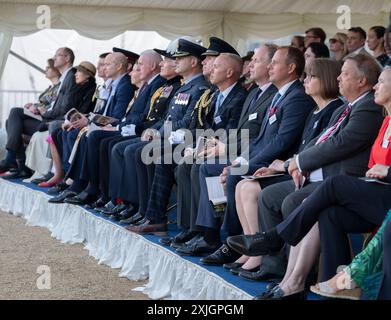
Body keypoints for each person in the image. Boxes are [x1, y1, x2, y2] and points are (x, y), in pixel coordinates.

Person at [227, 55, 386, 299]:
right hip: (335, 180)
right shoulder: (353, 109)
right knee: (320, 210)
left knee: (300, 200)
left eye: (344, 73)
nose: (338, 78)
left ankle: (283, 260)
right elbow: (320, 142)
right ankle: (295, 280)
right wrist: (294, 163)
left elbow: (341, 145)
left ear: (361, 80)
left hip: (349, 183)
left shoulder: (369, 108)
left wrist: (297, 163)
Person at [178, 46, 315, 258]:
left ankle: (230, 239)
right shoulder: (259, 93)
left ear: (291, 68)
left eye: (268, 62)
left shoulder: (295, 96)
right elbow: (259, 137)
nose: (266, 66)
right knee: (203, 167)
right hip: (253, 154)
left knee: (224, 173)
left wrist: (241, 160)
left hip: (275, 161)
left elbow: (281, 141)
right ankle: (209, 233)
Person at [229, 59, 343, 279]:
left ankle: (271, 259)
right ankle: (259, 252)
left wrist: (286, 166)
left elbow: (323, 151)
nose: (305, 81)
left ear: (326, 79)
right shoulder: (314, 112)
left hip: (314, 176)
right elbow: (305, 150)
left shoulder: (335, 110)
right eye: (305, 76)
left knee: (256, 191)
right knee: (245, 185)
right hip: (297, 171)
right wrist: (281, 167)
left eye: (311, 77)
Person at [38, 60, 97, 187]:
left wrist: (69, 121)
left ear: (88, 75)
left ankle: (65, 173)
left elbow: (84, 110)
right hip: (71, 120)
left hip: (82, 122)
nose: (76, 74)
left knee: (56, 128)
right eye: (76, 71)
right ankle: (57, 172)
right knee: (54, 134)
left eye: (80, 71)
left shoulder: (91, 89)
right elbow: (69, 109)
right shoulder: (75, 86)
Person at [0, 58, 62, 178]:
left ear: (55, 70)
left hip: (46, 120)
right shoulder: (50, 88)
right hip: (39, 117)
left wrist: (37, 108)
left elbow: (55, 107)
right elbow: (43, 103)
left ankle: (12, 159)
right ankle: (21, 167)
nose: (46, 70)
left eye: (48, 67)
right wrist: (33, 106)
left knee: (15, 112)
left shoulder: (61, 87)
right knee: (10, 121)